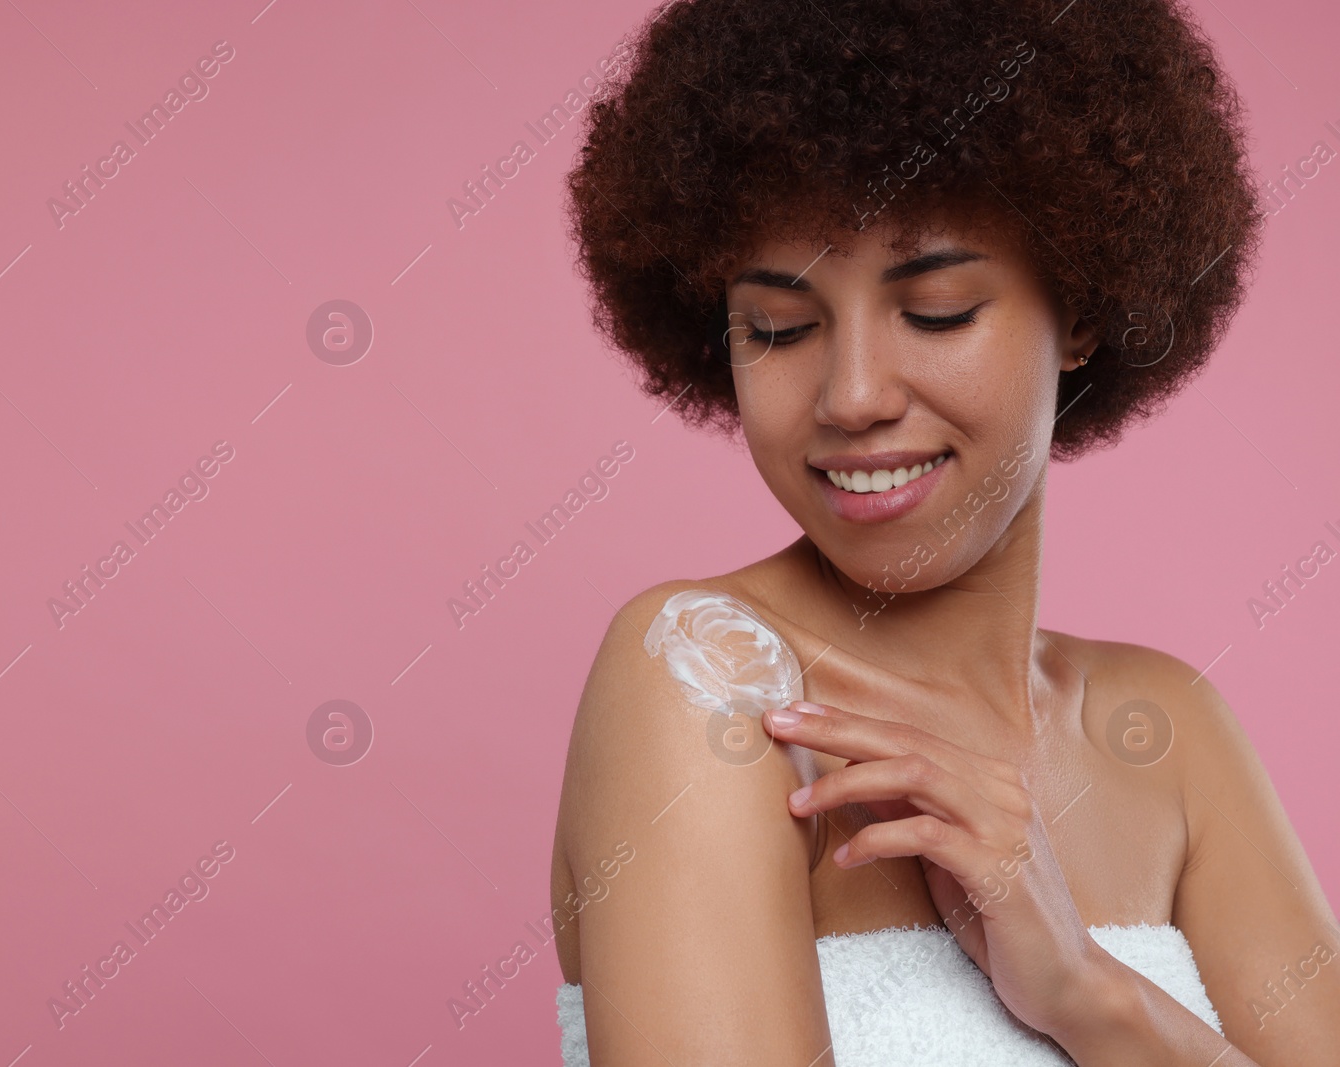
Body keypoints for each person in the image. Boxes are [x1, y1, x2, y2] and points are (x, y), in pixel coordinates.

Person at [548, 0, 1340, 1063]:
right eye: (777, 327)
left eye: (936, 311)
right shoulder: (711, 683)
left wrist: (1085, 993)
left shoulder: (1169, 733)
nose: (853, 394)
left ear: (1085, 310)